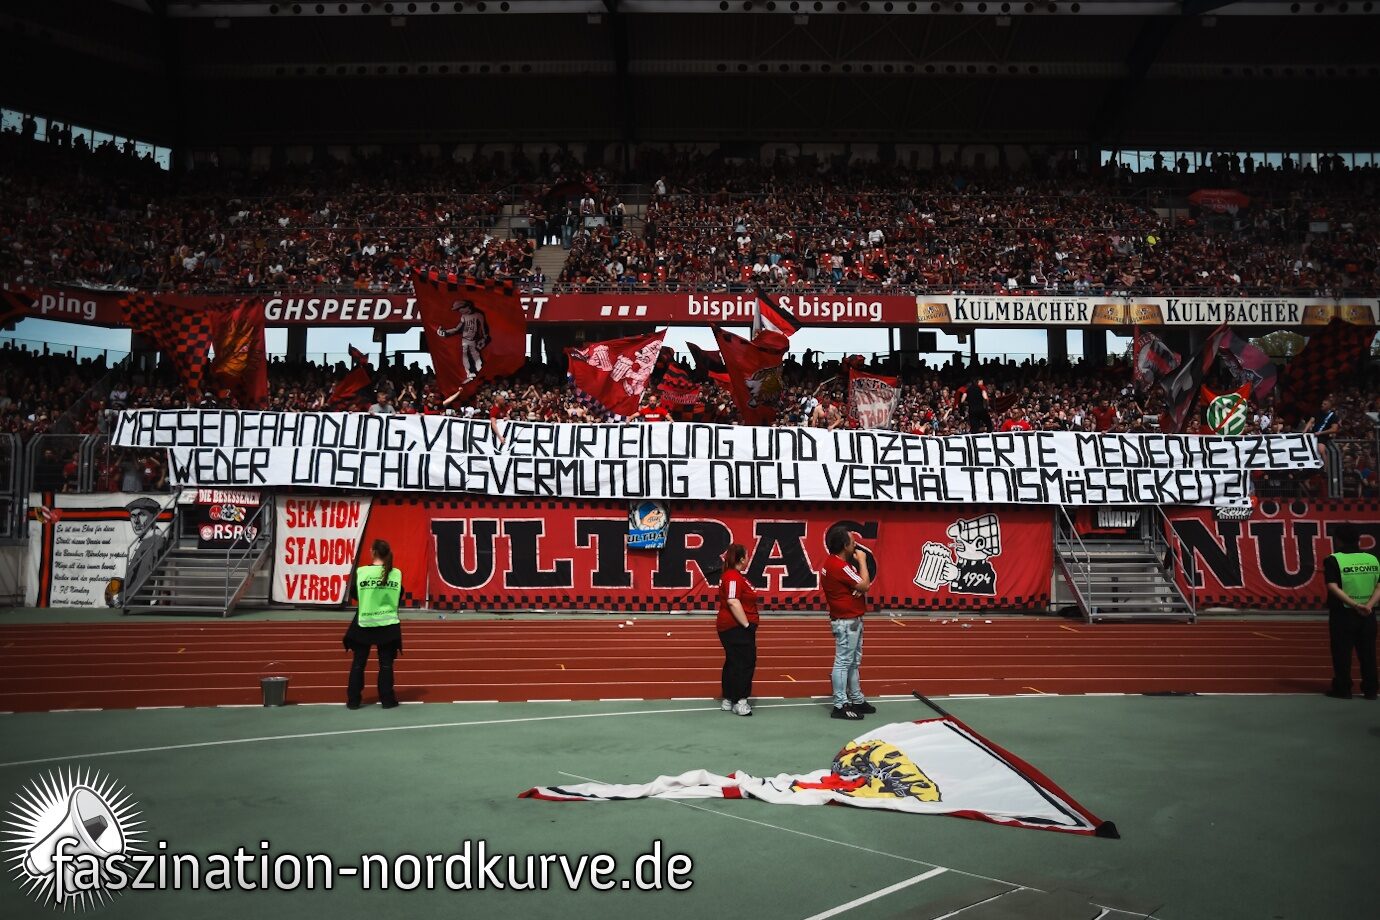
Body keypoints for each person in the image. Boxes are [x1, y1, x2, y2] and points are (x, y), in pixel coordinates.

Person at [820, 525, 876, 721]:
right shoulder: (840, 566)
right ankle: (840, 703)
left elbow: (857, 586)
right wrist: (863, 561)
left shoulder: (833, 563)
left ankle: (856, 698)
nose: (856, 546)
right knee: (844, 661)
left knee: (852, 661)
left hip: (850, 619)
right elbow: (864, 584)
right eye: (853, 543)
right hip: (847, 620)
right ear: (845, 545)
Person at [344, 539, 404, 709]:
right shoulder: (396, 573)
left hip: (364, 623)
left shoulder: (362, 572)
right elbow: (400, 595)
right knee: (386, 664)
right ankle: (387, 700)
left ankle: (353, 701)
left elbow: (355, 595)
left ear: (372, 552)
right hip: (388, 624)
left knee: (358, 663)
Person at [1323, 526, 1379, 700]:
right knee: (1368, 654)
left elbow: (1332, 586)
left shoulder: (1333, 560)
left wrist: (1354, 605)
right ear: (1358, 540)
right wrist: (1368, 605)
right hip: (1368, 614)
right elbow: (1379, 586)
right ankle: (1371, 690)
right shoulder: (1372, 559)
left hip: (1343, 614)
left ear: (1338, 540)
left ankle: (1343, 689)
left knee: (1342, 654)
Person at [717, 543, 759, 717]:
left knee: (733, 662)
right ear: (741, 559)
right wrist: (746, 625)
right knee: (744, 662)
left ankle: (728, 698)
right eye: (747, 556)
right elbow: (733, 601)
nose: (748, 559)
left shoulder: (734, 576)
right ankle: (740, 700)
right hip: (736, 627)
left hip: (733, 626)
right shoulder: (733, 577)